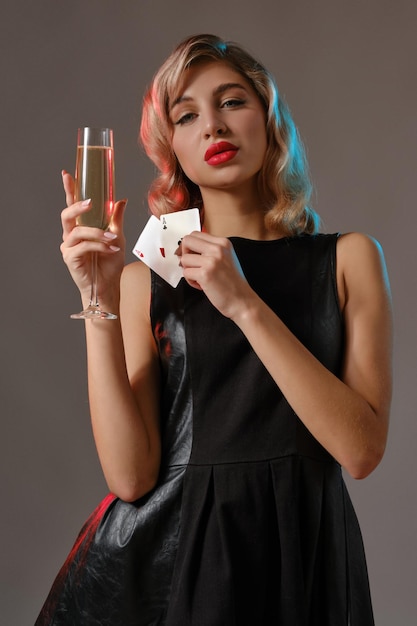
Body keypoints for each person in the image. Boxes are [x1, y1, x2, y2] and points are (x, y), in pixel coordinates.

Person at [36, 34, 392, 625]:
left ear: (270, 120)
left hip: (308, 549)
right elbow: (131, 476)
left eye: (232, 102)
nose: (213, 126)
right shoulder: (146, 279)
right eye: (187, 115)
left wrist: (244, 303)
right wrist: (96, 298)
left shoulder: (349, 259)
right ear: (171, 146)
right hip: (190, 555)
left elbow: (360, 450)